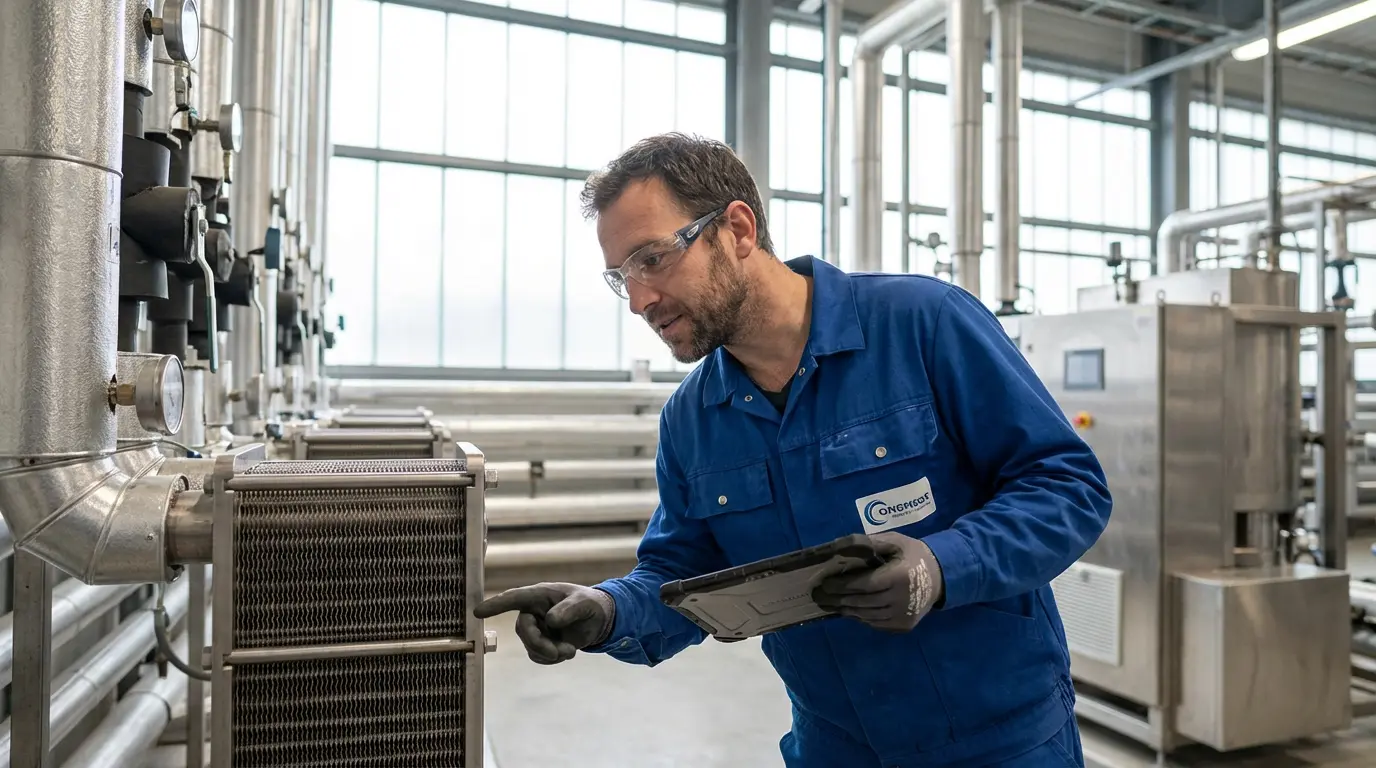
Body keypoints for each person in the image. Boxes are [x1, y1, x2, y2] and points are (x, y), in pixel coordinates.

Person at [475, 133, 1112, 767]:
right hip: (834, 747)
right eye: (622, 278)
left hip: (1000, 741)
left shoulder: (925, 324)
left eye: (652, 258)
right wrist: (611, 609)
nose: (640, 300)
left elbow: (1067, 487)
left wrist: (942, 565)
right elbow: (683, 576)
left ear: (738, 230)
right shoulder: (693, 420)